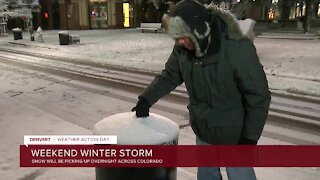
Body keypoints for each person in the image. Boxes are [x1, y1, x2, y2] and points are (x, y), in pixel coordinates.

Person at [132, 0, 271, 179]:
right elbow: (170, 75)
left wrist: (249, 138)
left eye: (184, 35)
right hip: (203, 129)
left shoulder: (236, 48)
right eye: (177, 37)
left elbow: (259, 96)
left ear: (200, 30)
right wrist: (146, 99)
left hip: (234, 135)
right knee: (206, 176)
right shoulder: (183, 48)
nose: (180, 41)